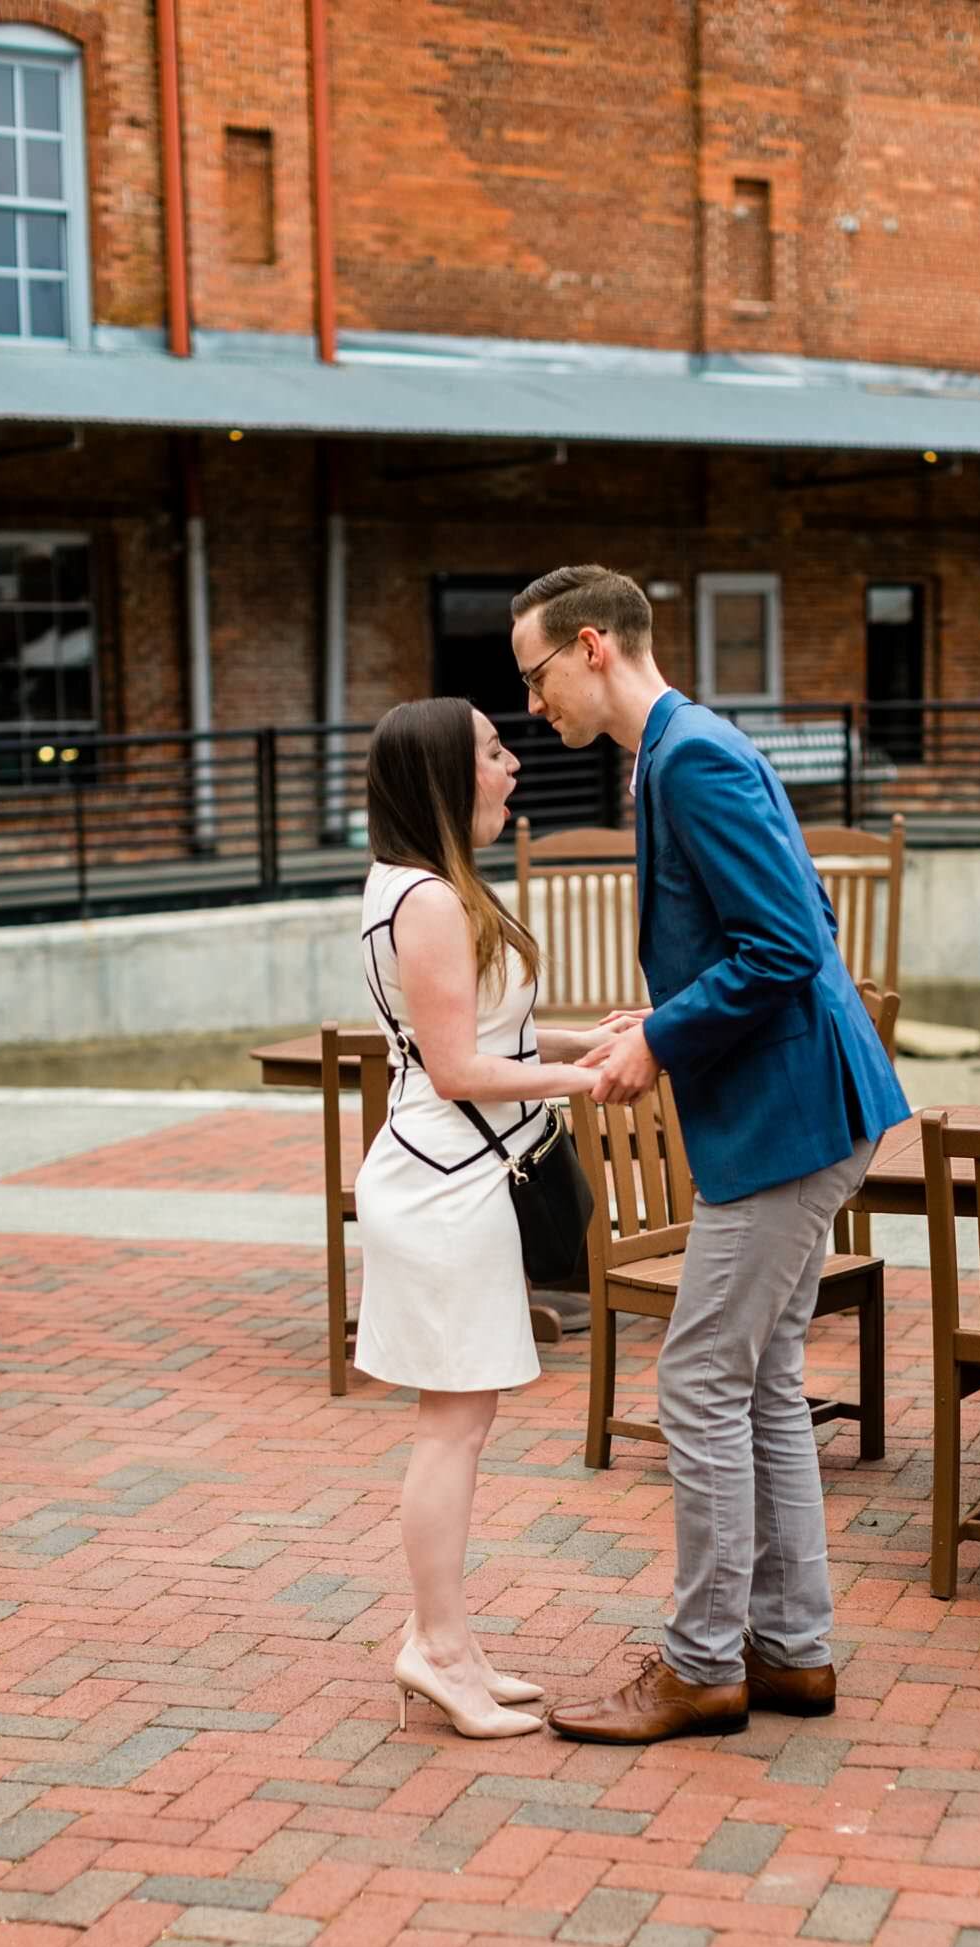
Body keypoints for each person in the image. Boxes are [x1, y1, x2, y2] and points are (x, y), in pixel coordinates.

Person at [510, 566, 910, 1745]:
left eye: (535, 677)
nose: (535, 707)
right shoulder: (682, 749)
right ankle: (790, 1652)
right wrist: (666, 1016)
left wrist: (670, 1036)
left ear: (590, 646)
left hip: (789, 1115)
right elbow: (794, 930)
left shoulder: (690, 757)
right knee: (762, 1375)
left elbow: (790, 943)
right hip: (807, 1102)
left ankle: (701, 1666)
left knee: (696, 1378)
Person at [355, 697, 606, 1740]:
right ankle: (435, 1647)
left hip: (455, 1174)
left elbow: (478, 1041)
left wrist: (601, 1037)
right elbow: (457, 1067)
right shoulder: (425, 899)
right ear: (442, 778)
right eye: (495, 752)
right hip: (442, 1182)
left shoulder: (429, 887)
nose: (513, 765)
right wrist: (589, 1077)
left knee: (463, 1419)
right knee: (451, 1424)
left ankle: (446, 1639)